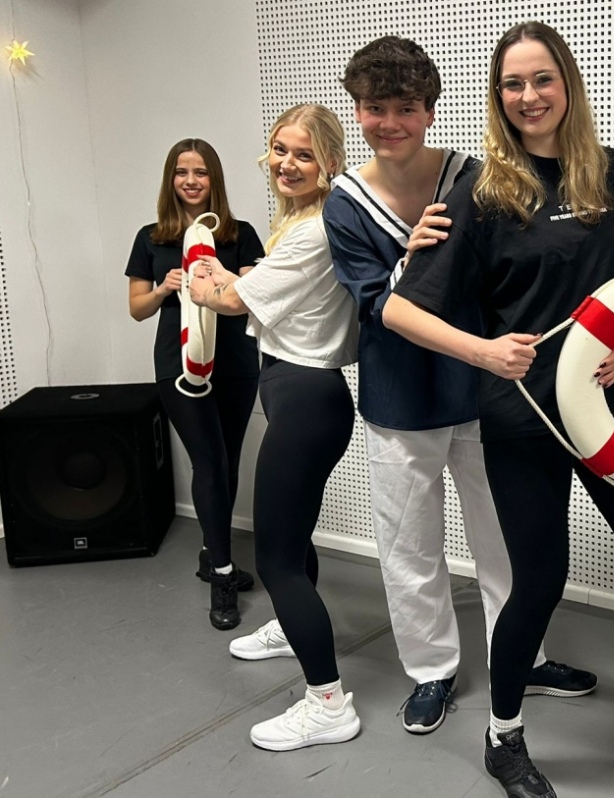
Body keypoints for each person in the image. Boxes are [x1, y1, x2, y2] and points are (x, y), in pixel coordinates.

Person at [384, 21, 614, 798]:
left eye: (541, 79)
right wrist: (485, 352)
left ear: (567, 84)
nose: (528, 96)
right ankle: (503, 738)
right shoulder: (484, 193)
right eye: (512, 84)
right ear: (498, 96)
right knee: (540, 579)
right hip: (524, 416)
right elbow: (399, 310)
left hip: (607, 409)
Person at [304, 35, 595, 736]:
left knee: (506, 540)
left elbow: (509, 274)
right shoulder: (344, 203)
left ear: (430, 110)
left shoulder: (474, 177)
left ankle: (522, 658)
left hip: (488, 392)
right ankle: (431, 669)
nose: (390, 122)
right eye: (375, 108)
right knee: (409, 543)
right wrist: (411, 261)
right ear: (357, 110)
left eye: (406, 107)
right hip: (402, 397)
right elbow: (376, 304)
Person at [188, 104, 362, 752]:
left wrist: (203, 286)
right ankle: (293, 632)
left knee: (276, 560)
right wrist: (226, 275)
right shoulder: (303, 222)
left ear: (330, 163)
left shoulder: (314, 229)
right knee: (293, 538)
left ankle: (328, 704)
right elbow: (262, 285)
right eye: (280, 150)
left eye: (304, 154)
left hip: (307, 398)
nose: (288, 164)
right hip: (299, 394)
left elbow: (235, 301)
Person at [125, 138, 263, 631]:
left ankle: (212, 553)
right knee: (209, 461)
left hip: (236, 363)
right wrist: (165, 287)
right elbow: (137, 308)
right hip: (178, 366)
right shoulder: (150, 238)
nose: (190, 180)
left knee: (227, 463)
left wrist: (219, 280)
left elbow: (253, 295)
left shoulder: (240, 234)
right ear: (171, 179)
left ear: (214, 179)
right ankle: (222, 575)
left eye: (200, 172)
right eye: (182, 172)